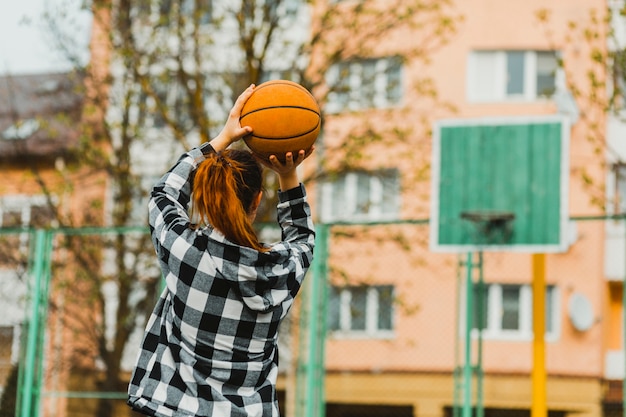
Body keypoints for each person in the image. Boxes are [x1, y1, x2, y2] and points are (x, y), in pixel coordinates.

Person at [128, 84, 316, 417]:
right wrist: (288, 174)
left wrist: (222, 138)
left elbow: (163, 196)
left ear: (210, 193)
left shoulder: (186, 252)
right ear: (257, 201)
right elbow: (302, 237)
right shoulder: (279, 272)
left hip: (175, 409)